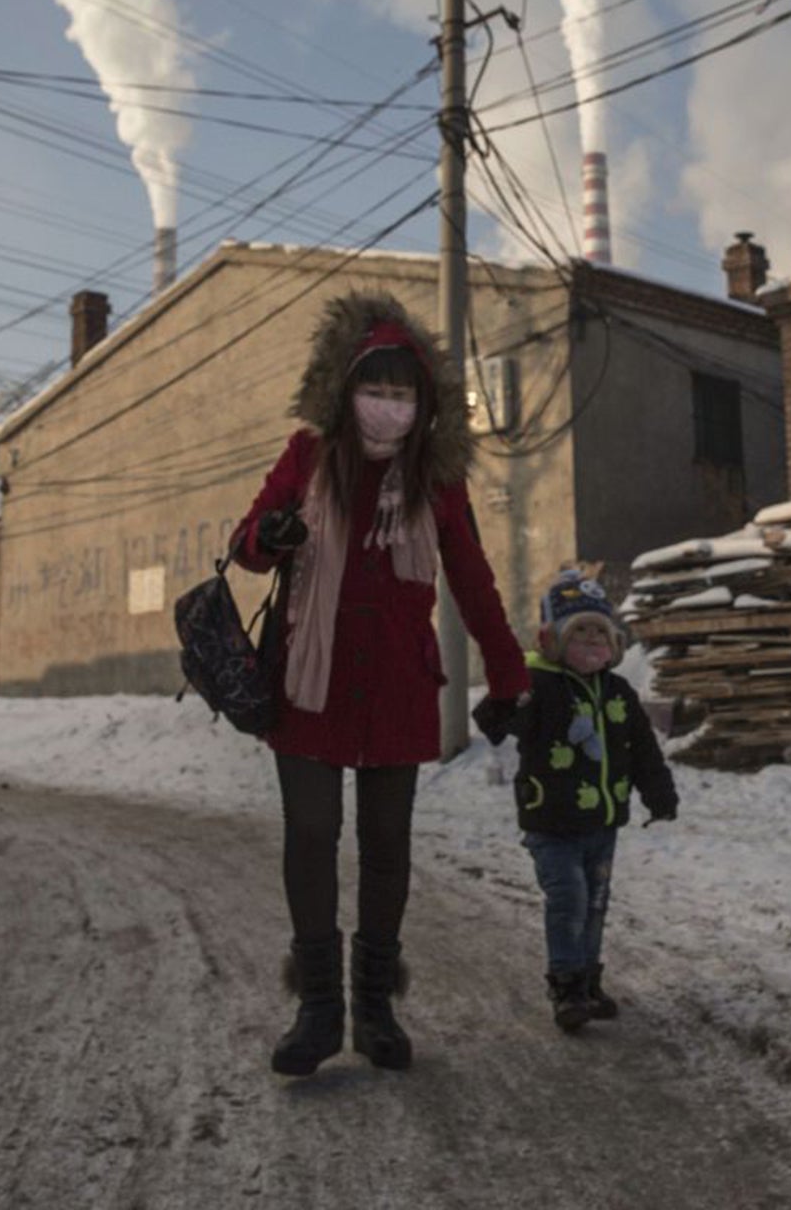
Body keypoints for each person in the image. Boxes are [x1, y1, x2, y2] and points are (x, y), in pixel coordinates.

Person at [232, 292, 531, 1078]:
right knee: (311, 833)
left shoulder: (438, 480)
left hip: (397, 686)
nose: (388, 407)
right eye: (376, 389)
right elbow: (248, 544)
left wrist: (508, 673)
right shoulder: (307, 456)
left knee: (387, 846)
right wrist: (269, 533)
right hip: (310, 683)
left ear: (423, 404)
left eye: (404, 394)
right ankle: (318, 1011)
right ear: (346, 390)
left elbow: (473, 580)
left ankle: (375, 1009)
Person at [474, 571, 678, 1033]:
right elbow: (494, 718)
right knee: (569, 898)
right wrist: (508, 693)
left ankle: (587, 980)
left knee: (596, 901)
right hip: (551, 821)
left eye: (597, 631)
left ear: (613, 641)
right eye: (577, 631)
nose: (589, 639)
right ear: (553, 641)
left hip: (602, 821)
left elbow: (643, 751)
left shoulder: (619, 693)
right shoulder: (539, 687)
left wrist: (659, 794)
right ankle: (565, 985)